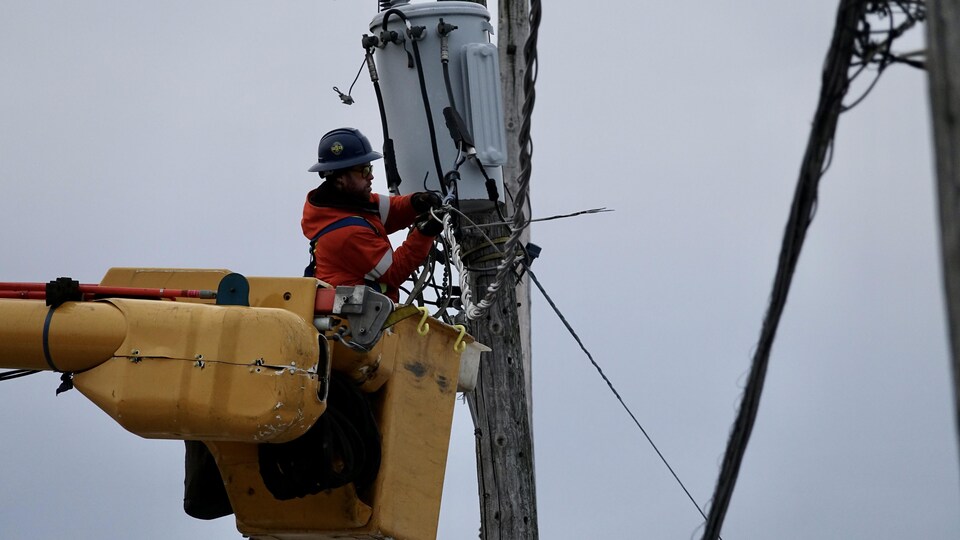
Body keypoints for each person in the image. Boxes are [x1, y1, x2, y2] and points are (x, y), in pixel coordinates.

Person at [301, 127, 443, 302]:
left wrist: (415, 202)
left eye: (370, 168)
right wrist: (424, 235)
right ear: (340, 178)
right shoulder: (347, 233)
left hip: (367, 317)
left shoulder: (344, 205)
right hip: (356, 323)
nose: (371, 177)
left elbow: (389, 210)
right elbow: (394, 271)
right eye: (364, 170)